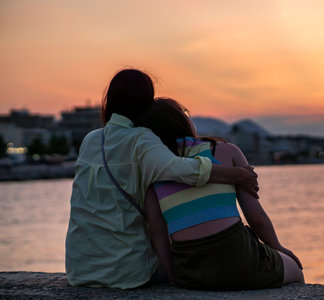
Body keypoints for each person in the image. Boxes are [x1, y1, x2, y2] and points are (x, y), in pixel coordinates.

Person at [65, 69, 259, 289]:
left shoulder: (90, 140)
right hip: (125, 272)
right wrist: (238, 174)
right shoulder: (141, 139)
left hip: (79, 270)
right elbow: (181, 169)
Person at [138, 97, 305, 290]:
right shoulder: (226, 151)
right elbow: (256, 217)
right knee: (295, 270)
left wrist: (171, 273)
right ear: (182, 121)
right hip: (238, 256)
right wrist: (277, 247)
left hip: (189, 269)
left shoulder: (153, 170)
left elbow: (157, 230)